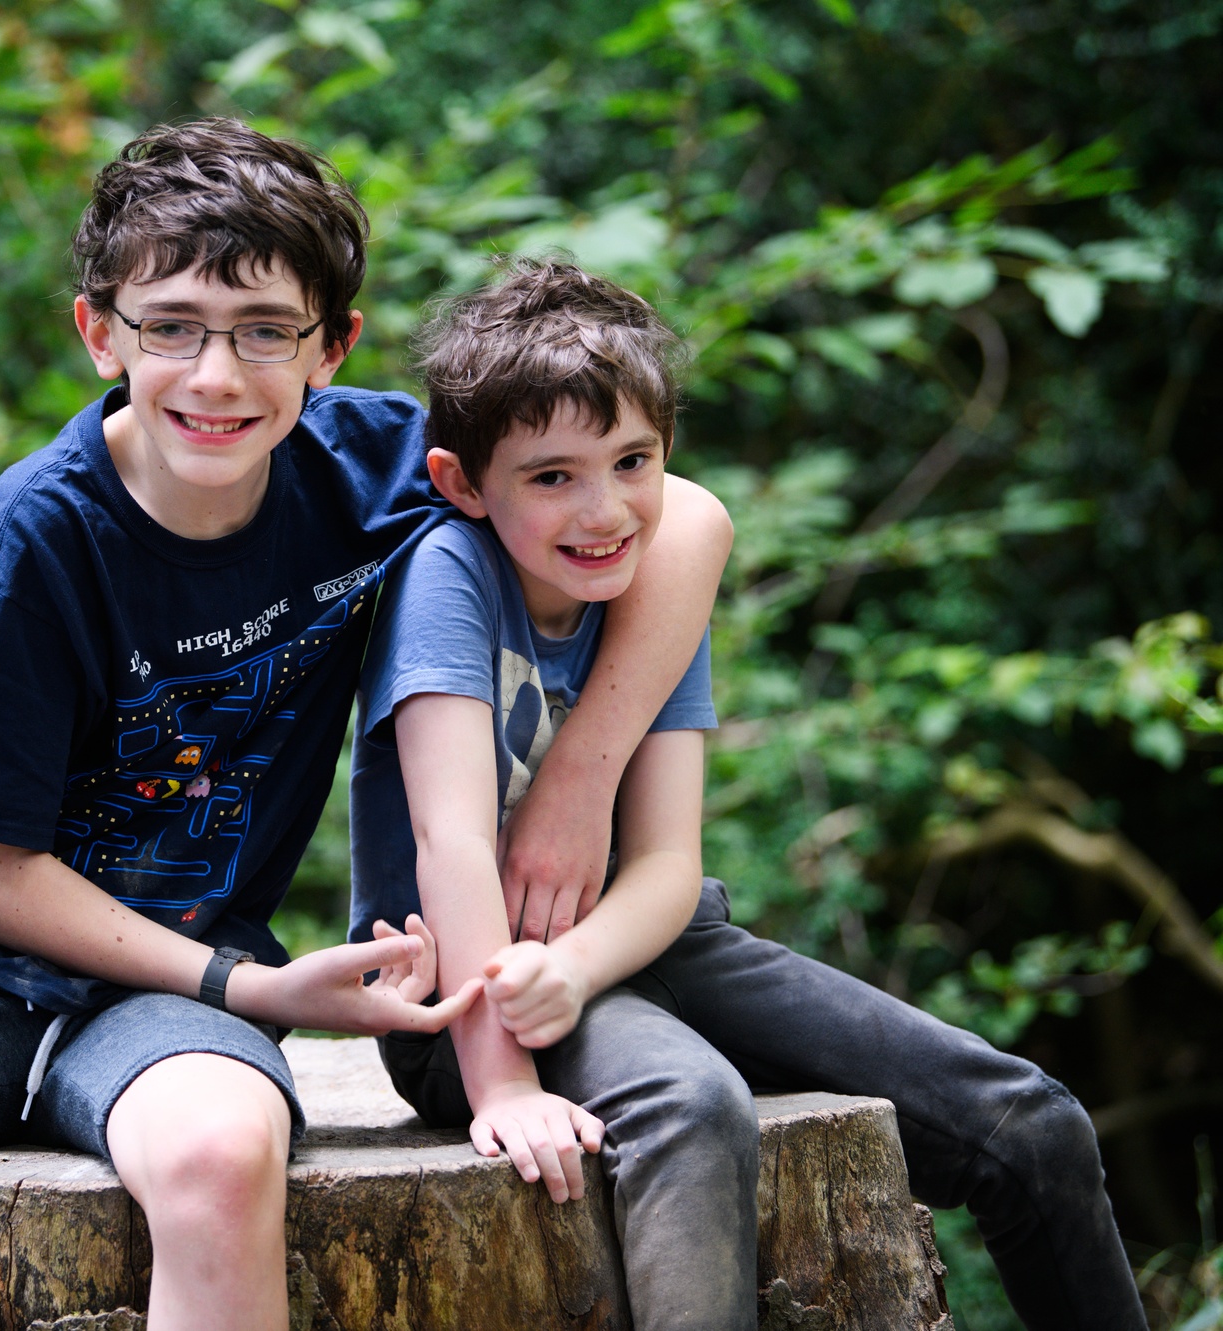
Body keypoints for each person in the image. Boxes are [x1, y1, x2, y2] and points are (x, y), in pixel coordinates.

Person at [0, 122, 733, 1331]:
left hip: (173, 979)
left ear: (331, 346)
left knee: (217, 1161)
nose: (217, 376)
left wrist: (577, 774)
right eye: (172, 327)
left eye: (264, 331)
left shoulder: (375, 468)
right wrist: (253, 986)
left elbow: (687, 517)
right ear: (100, 333)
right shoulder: (38, 535)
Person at [349, 257, 1147, 1330]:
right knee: (692, 1103)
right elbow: (449, 841)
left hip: (644, 944)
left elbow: (667, 864)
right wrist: (502, 1079)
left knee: (1029, 1123)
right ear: (462, 483)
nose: (603, 508)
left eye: (632, 461)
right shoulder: (450, 574)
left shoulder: (641, 589)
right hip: (467, 996)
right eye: (551, 477)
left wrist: (578, 962)